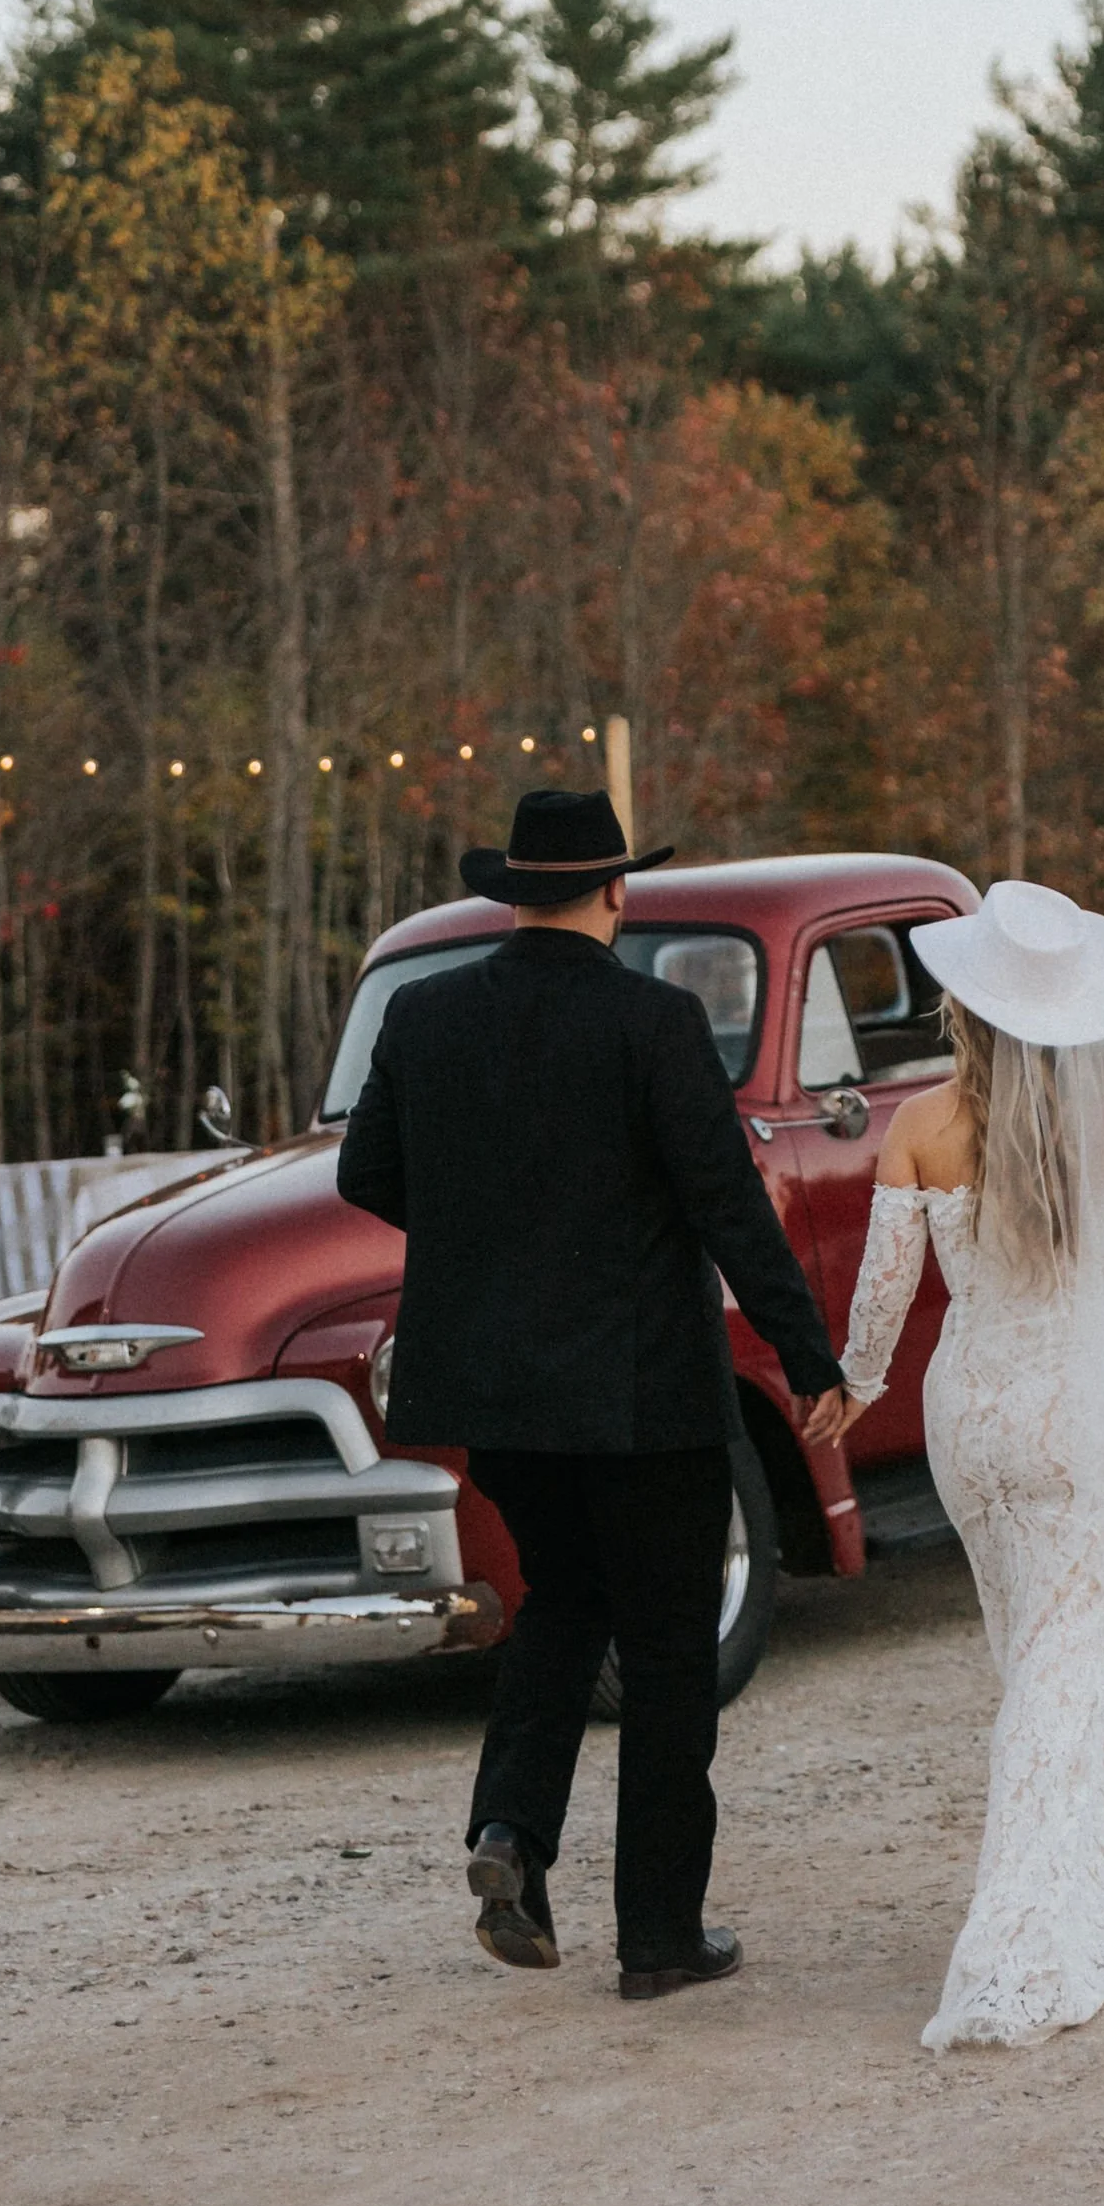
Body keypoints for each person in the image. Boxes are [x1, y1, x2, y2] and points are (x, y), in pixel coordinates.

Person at [338, 786, 848, 2001]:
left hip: (496, 1393)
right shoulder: (654, 1023)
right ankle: (661, 1938)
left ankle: (509, 1833)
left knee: (561, 1602)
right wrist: (809, 1356)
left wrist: (490, 1240)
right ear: (616, 891)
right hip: (640, 1391)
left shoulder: (420, 1016)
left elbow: (367, 1172)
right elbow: (729, 1207)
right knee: (669, 1654)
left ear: (512, 893)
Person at [837, 878, 1104, 2050]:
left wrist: (848, 1390)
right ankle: (1015, 1942)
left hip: (971, 1419)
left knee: (1034, 1655)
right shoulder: (1101, 1125)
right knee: (1056, 1662)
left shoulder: (914, 1126)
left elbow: (879, 1302)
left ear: (966, 1003)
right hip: (1074, 1416)